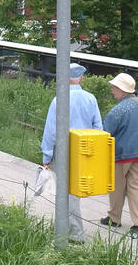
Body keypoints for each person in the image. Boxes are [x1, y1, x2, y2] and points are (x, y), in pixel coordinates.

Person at [41, 63, 104, 241]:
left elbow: (51, 131)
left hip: (63, 152)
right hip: (84, 152)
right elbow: (98, 127)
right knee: (74, 192)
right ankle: (67, 228)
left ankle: (74, 233)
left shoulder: (58, 99)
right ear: (81, 78)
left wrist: (47, 156)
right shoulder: (91, 99)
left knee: (65, 192)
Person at [101, 72, 138, 235]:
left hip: (123, 154)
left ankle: (114, 218)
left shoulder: (118, 110)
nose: (112, 91)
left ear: (121, 90)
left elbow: (105, 132)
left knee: (117, 186)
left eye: (114, 88)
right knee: (136, 186)